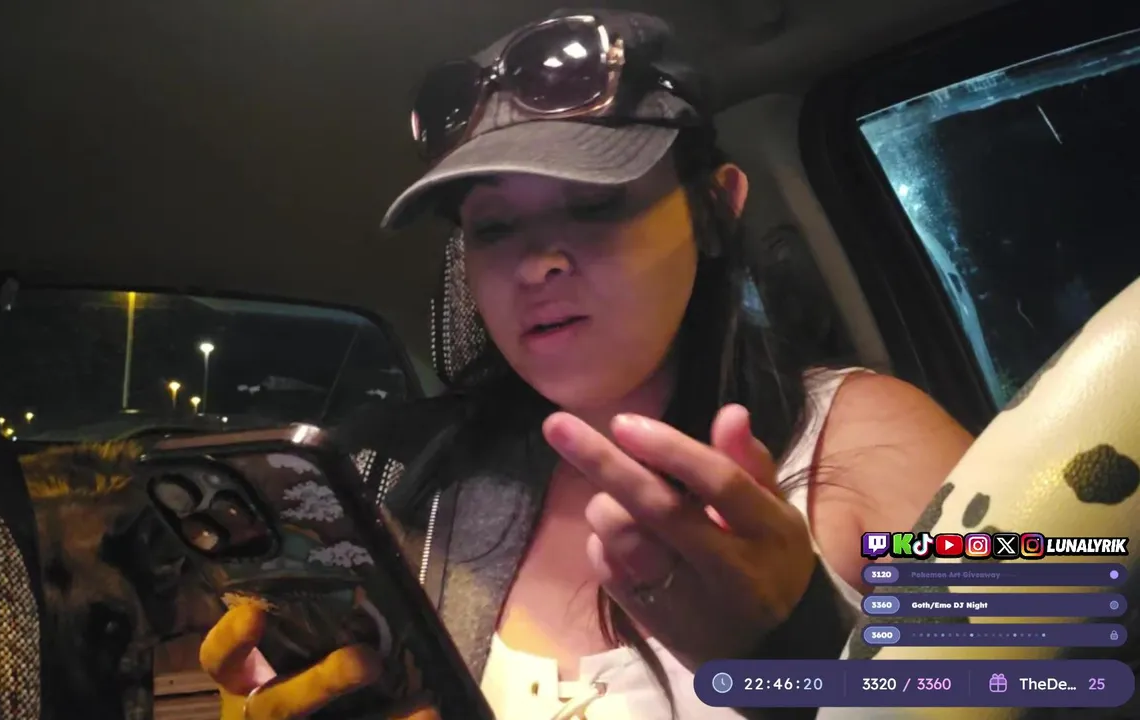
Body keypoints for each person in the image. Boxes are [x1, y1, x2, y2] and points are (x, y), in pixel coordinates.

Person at [199, 9, 974, 720]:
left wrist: (798, 653)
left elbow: (1043, 668)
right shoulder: (415, 494)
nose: (537, 263)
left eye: (596, 204)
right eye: (494, 227)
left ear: (714, 209)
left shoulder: (864, 437)